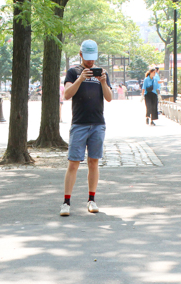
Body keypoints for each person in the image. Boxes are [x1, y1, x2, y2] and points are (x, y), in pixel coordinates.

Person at [60, 39, 112, 217]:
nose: (90, 62)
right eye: (87, 58)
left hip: (97, 123)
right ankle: (66, 202)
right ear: (81, 54)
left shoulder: (102, 73)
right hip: (79, 124)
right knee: (73, 162)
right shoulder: (73, 72)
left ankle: (91, 199)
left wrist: (103, 82)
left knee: (93, 162)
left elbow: (109, 97)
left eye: (93, 58)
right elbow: (67, 94)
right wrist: (81, 79)